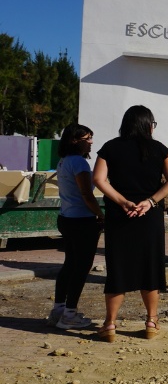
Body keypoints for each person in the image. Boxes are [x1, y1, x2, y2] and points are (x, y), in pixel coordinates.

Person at [92, 105, 168, 342]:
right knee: (150, 267)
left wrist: (122, 201)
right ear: (148, 125)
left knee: (117, 268)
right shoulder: (160, 149)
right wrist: (150, 202)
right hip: (149, 216)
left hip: (119, 215)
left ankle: (110, 324)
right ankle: (151, 321)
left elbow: (98, 179)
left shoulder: (110, 148)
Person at [47, 124, 105, 330]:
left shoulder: (64, 161)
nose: (91, 142)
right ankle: (70, 314)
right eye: (87, 139)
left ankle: (59, 310)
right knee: (81, 267)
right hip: (82, 220)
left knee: (70, 264)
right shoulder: (79, 163)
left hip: (67, 217)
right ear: (74, 140)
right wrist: (100, 214)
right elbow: (87, 194)